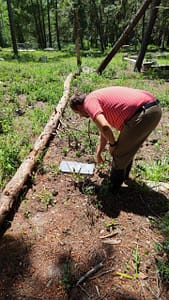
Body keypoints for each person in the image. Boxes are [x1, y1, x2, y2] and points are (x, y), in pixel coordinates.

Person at [70, 86, 162, 190]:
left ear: (79, 106)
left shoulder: (89, 103)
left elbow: (105, 127)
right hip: (153, 108)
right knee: (126, 149)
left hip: (143, 113)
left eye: (78, 113)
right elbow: (103, 132)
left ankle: (113, 189)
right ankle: (124, 178)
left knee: (119, 152)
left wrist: (113, 145)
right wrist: (99, 152)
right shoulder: (95, 97)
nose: (80, 116)